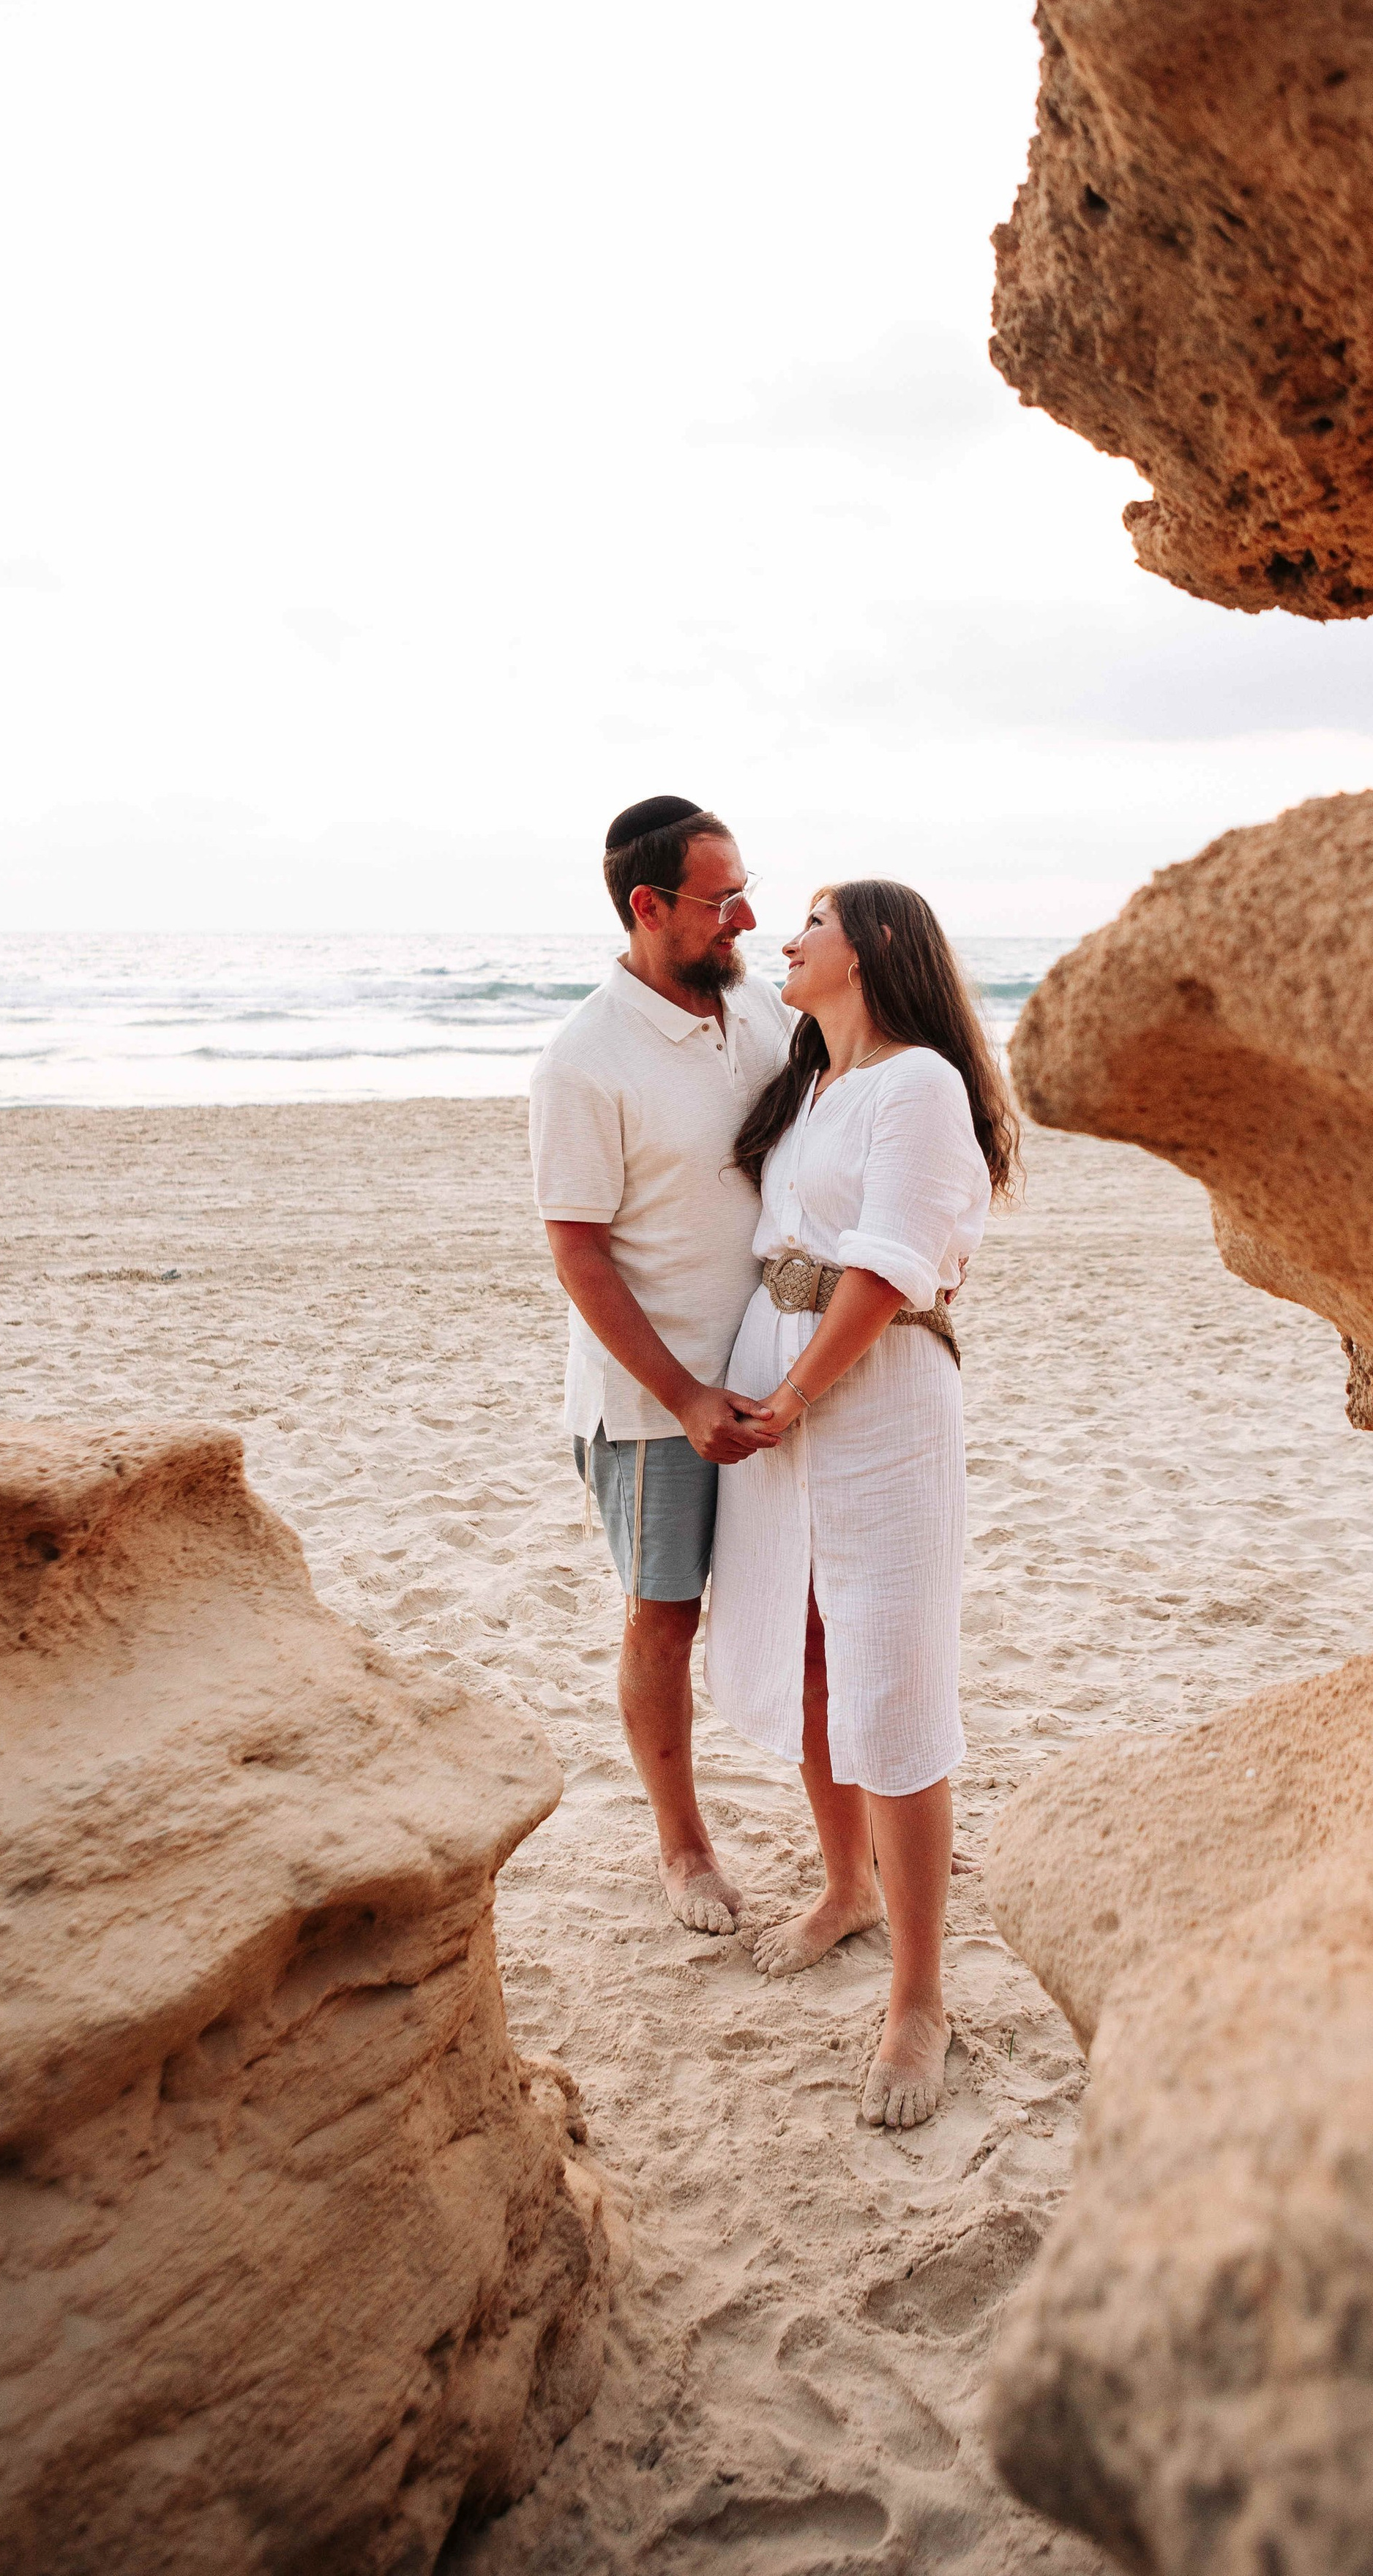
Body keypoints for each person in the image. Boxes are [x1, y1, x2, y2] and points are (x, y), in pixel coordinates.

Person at [706, 880, 1018, 2129]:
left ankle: (921, 1997)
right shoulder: (815, 1084)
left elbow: (887, 1267)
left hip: (874, 1398)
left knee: (894, 1675)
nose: (788, 937)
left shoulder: (920, 1082)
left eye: (815, 921)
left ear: (876, 947)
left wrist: (790, 1397)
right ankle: (849, 1887)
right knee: (814, 1643)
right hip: (777, 1386)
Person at [528, 796, 793, 1934]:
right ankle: (682, 1848)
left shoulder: (766, 1014)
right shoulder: (585, 1061)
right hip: (655, 1403)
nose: (745, 915)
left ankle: (868, 1829)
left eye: (745, 888)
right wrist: (683, 1394)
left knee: (819, 1608)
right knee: (664, 1618)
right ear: (649, 907)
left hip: (780, 1377)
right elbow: (576, 1252)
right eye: (720, 897)